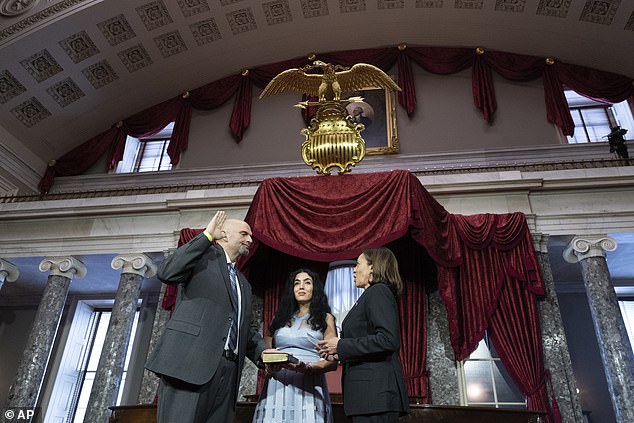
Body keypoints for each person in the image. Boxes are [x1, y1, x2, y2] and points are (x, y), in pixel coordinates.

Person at [145, 210, 270, 423]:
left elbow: (245, 330)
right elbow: (167, 272)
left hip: (228, 375)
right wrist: (206, 236)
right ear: (224, 234)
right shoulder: (201, 258)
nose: (250, 240)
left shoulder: (243, 284)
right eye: (244, 234)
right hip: (190, 366)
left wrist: (265, 354)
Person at [317, 247, 409, 423]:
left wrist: (342, 345)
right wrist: (339, 352)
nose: (354, 269)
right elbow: (368, 339)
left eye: (358, 264)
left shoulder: (378, 291)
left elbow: (388, 340)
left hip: (375, 396)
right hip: (369, 397)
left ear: (372, 267)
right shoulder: (369, 296)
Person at [253, 268, 338, 423]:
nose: (301, 287)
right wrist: (268, 361)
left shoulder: (326, 318)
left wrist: (310, 368)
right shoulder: (279, 318)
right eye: (296, 283)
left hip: (309, 381)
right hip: (277, 382)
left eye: (307, 283)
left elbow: (333, 359)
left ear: (315, 288)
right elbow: (266, 348)